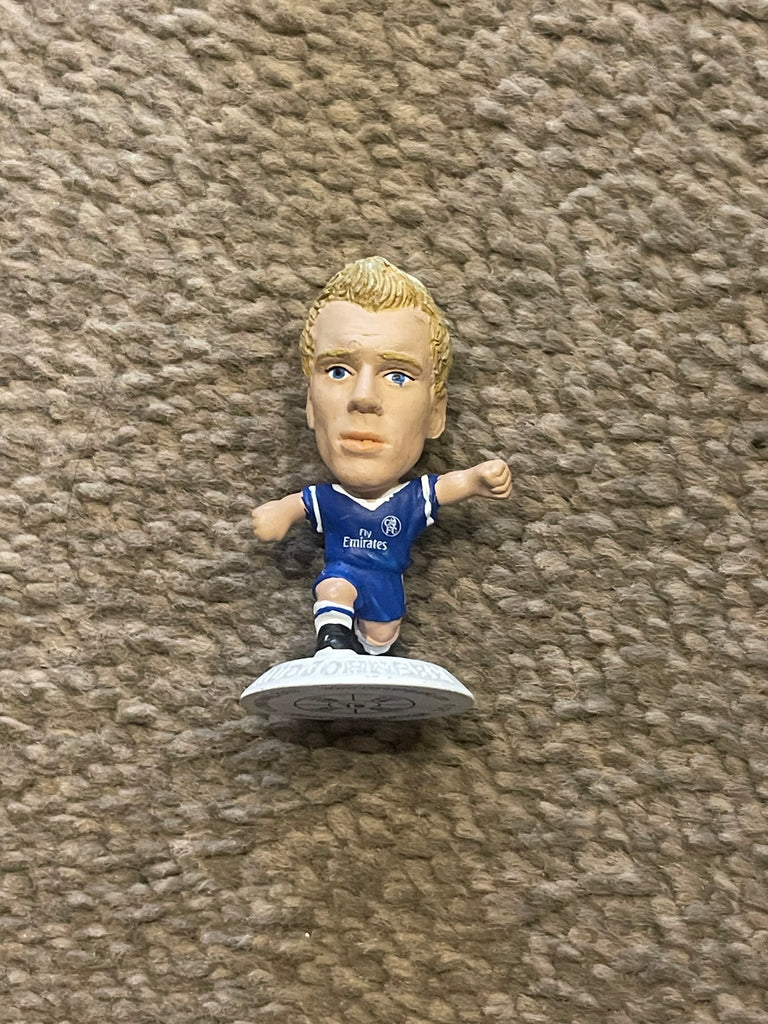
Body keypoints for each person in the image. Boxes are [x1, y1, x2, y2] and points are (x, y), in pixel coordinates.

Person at [252, 256, 512, 656]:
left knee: (381, 637)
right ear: (310, 404)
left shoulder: (409, 500)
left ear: (436, 413)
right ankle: (333, 642)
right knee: (334, 587)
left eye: (398, 376)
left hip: (387, 585)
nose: (364, 398)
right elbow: (297, 506)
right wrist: (279, 513)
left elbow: (448, 487)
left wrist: (477, 479)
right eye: (338, 371)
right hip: (342, 573)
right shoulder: (330, 501)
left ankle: (371, 651)